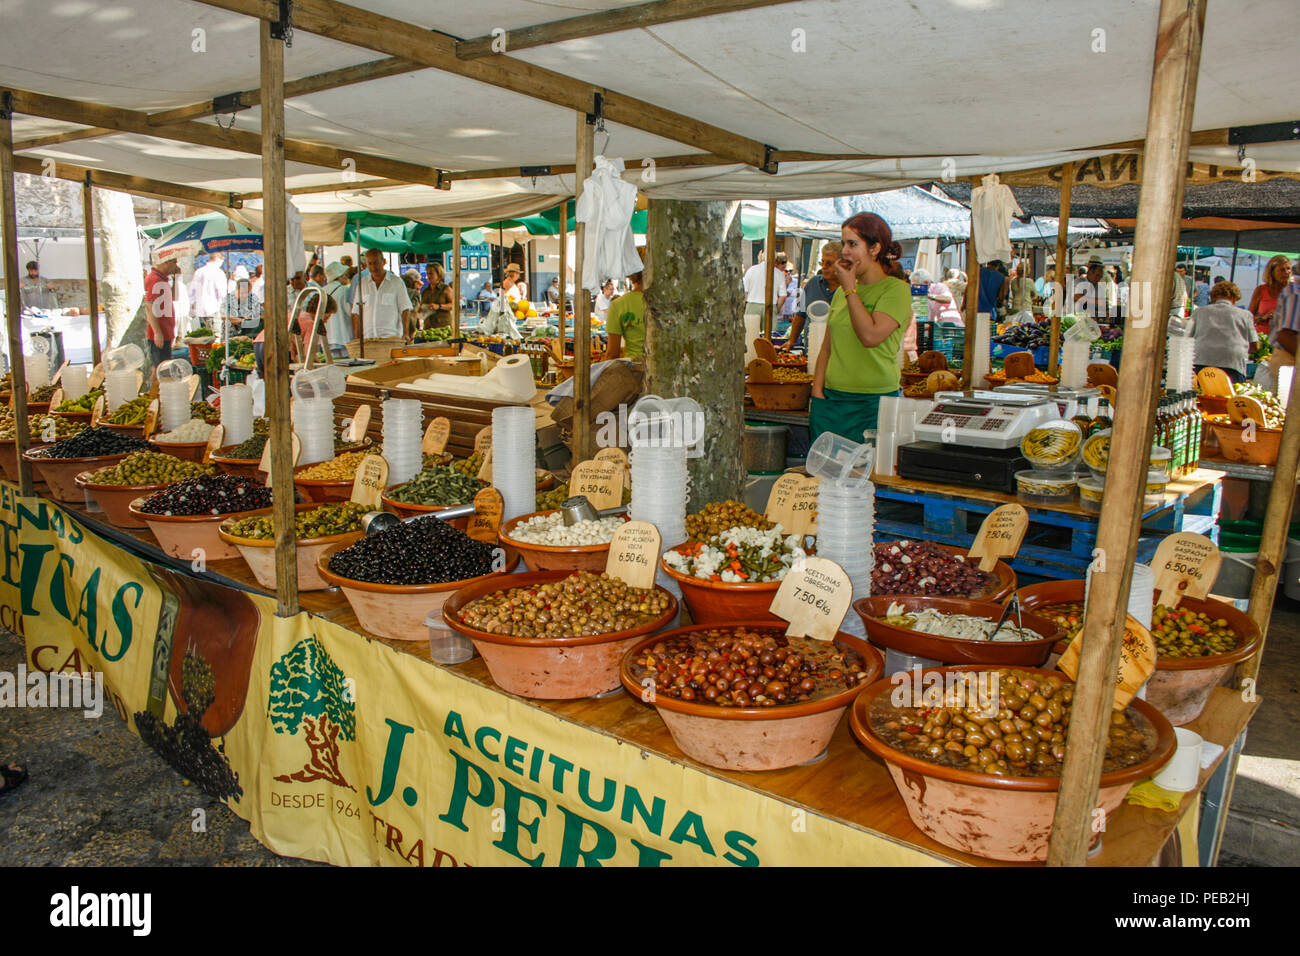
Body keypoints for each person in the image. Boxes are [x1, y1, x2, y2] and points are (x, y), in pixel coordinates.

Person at [810, 212, 910, 443]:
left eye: (852, 244)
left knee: (868, 475)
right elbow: (827, 348)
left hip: (874, 402)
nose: (845, 251)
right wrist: (817, 393)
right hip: (832, 399)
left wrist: (849, 290)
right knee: (825, 476)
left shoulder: (896, 290)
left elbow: (870, 336)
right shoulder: (841, 293)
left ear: (874, 248)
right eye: (844, 243)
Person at [1188, 281, 1257, 384]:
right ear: (1235, 298)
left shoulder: (1199, 312)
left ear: (1213, 297)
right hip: (1233, 365)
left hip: (1201, 362)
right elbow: (1255, 345)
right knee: (1230, 396)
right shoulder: (1245, 315)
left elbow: (1187, 338)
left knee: (1200, 394)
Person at [349, 248, 413, 356]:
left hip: (391, 338)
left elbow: (405, 308)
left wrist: (406, 333)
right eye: (370, 264)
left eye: (376, 263)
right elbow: (356, 312)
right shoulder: (362, 284)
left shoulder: (396, 282)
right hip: (368, 340)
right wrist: (356, 338)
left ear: (383, 262)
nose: (373, 267)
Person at [783, 241, 841, 352]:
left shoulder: (850, 289)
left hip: (837, 353)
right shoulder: (813, 283)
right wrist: (792, 341)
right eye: (822, 262)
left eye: (829, 263)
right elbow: (800, 315)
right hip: (811, 350)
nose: (824, 267)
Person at [741, 251, 786, 354]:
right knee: (769, 339)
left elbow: (745, 293)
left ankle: (750, 358)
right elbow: (783, 296)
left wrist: (744, 307)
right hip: (770, 306)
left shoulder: (751, 270)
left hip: (752, 306)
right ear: (775, 260)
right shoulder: (779, 273)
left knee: (750, 337)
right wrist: (776, 309)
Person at [144, 254, 182, 369]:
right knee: (161, 369)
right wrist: (157, 332)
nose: (176, 266)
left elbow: (175, 297)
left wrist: (176, 279)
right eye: (174, 262)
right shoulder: (155, 279)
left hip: (166, 331)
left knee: (161, 367)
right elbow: (149, 307)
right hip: (160, 332)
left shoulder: (162, 279)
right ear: (166, 262)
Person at [1268, 262, 1300, 385]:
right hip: (1289, 362)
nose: (1285, 272)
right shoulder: (1295, 292)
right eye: (1281, 269)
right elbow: (1285, 336)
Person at [1249, 255, 1292, 334]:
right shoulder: (1261, 290)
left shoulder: (1294, 291)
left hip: (1286, 341)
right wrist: (1264, 317)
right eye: (1282, 270)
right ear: (1272, 272)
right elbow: (1247, 318)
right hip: (1263, 340)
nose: (1286, 272)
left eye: (1288, 268)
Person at [189, 251, 226, 334]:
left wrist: (193, 308)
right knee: (215, 334)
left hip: (200, 310)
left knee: (205, 335)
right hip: (213, 308)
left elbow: (191, 292)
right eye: (222, 261)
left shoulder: (198, 272)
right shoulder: (218, 272)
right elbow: (222, 293)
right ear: (218, 259)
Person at [222, 267, 262, 337]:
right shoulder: (228, 299)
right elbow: (223, 316)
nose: (246, 295)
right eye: (244, 292)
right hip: (230, 333)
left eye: (248, 292)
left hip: (247, 333)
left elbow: (261, 314)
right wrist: (241, 320)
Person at [320, 262, 352, 348]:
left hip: (327, 338)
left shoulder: (322, 291)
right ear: (340, 276)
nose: (346, 277)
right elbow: (350, 312)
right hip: (343, 336)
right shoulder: (344, 290)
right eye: (345, 275)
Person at [419, 261, 455, 329]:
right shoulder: (425, 291)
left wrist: (439, 306)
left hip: (443, 327)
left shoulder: (446, 289)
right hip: (428, 327)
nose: (428, 276)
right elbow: (421, 305)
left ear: (438, 274)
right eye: (427, 273)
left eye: (431, 273)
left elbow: (454, 305)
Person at [777, 263, 800, 340]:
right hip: (781, 312)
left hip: (791, 311)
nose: (788, 273)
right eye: (786, 271)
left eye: (790, 270)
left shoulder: (796, 282)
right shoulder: (779, 281)